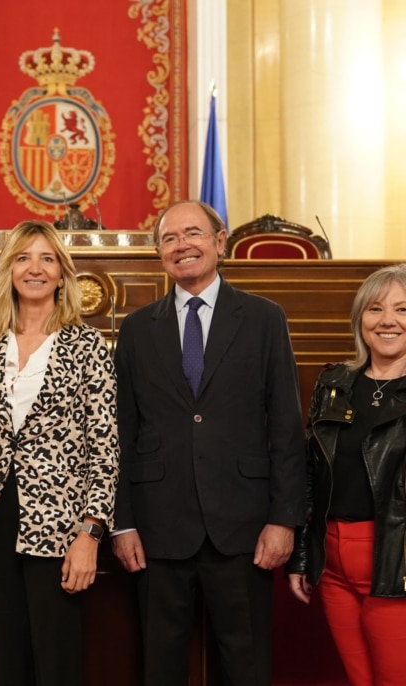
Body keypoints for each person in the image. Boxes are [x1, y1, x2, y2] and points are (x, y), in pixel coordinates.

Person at [112, 200, 305, 686]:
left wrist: (284, 520)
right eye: (170, 238)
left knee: (246, 665)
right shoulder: (136, 329)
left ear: (220, 242)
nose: (183, 246)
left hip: (243, 527)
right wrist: (123, 524)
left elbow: (285, 425)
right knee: (160, 665)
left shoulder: (264, 318)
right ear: (159, 254)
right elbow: (123, 432)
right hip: (157, 529)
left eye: (193, 233)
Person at [0, 219, 119, 686]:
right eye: (23, 258)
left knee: (57, 662)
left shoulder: (88, 348)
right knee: (9, 661)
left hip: (60, 529)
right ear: (9, 270)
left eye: (46, 258)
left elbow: (105, 452)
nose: (34, 268)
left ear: (63, 273)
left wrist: (90, 535)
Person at [287, 264, 406, 686]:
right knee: (359, 680)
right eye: (375, 309)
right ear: (360, 320)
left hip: (394, 566)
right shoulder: (333, 383)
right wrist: (303, 557)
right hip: (333, 565)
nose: (387, 320)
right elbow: (308, 477)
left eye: (402, 309)